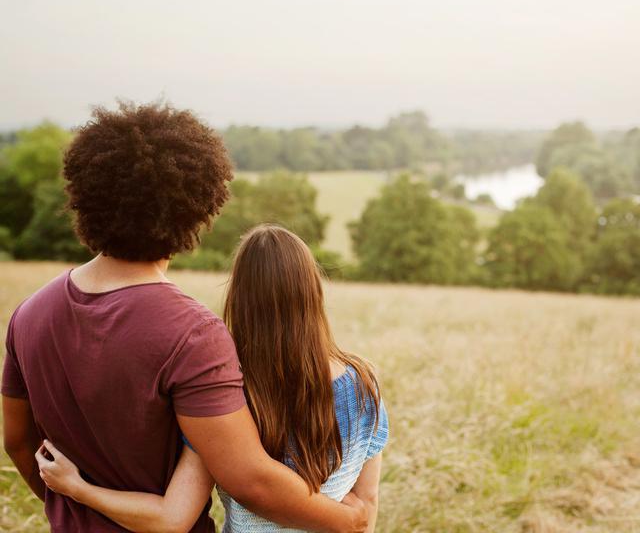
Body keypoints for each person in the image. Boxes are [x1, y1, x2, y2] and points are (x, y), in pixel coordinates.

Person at [2, 102, 368, 533]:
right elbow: (250, 479)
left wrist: (77, 506)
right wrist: (351, 519)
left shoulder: (29, 314)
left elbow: (18, 442)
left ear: (85, 197)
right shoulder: (193, 334)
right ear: (194, 209)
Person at [36, 225, 389, 533]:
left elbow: (171, 519)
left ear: (239, 298)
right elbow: (365, 506)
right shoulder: (364, 385)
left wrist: (78, 488)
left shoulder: (223, 395)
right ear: (314, 292)